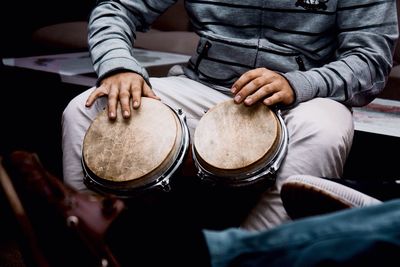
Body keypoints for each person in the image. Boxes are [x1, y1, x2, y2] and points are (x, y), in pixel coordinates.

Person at [61, 0, 398, 231]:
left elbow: (371, 59)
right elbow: (117, 7)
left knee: (324, 132)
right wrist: (118, 66)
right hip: (204, 87)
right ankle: (88, 245)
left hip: (303, 99)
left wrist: (298, 83)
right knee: (86, 110)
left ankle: (251, 254)